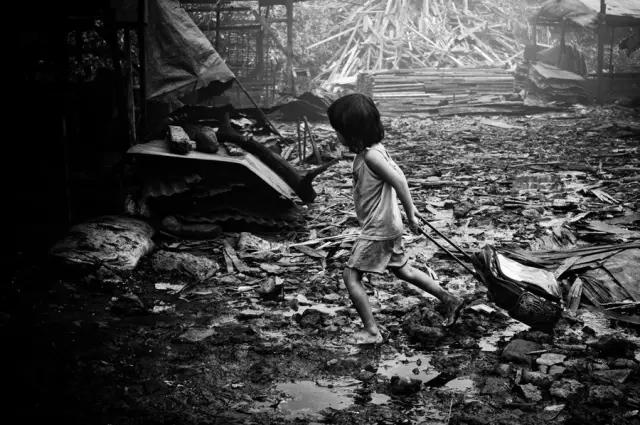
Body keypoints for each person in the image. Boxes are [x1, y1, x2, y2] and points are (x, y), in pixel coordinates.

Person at [327, 93, 464, 345]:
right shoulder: (375, 151)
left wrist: (410, 212)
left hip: (378, 229)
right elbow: (398, 173)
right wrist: (407, 209)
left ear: (351, 132)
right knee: (404, 270)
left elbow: (398, 180)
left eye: (338, 130)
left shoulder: (371, 157)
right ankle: (449, 299)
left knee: (350, 277)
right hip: (388, 225)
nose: (336, 135)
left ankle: (372, 331)